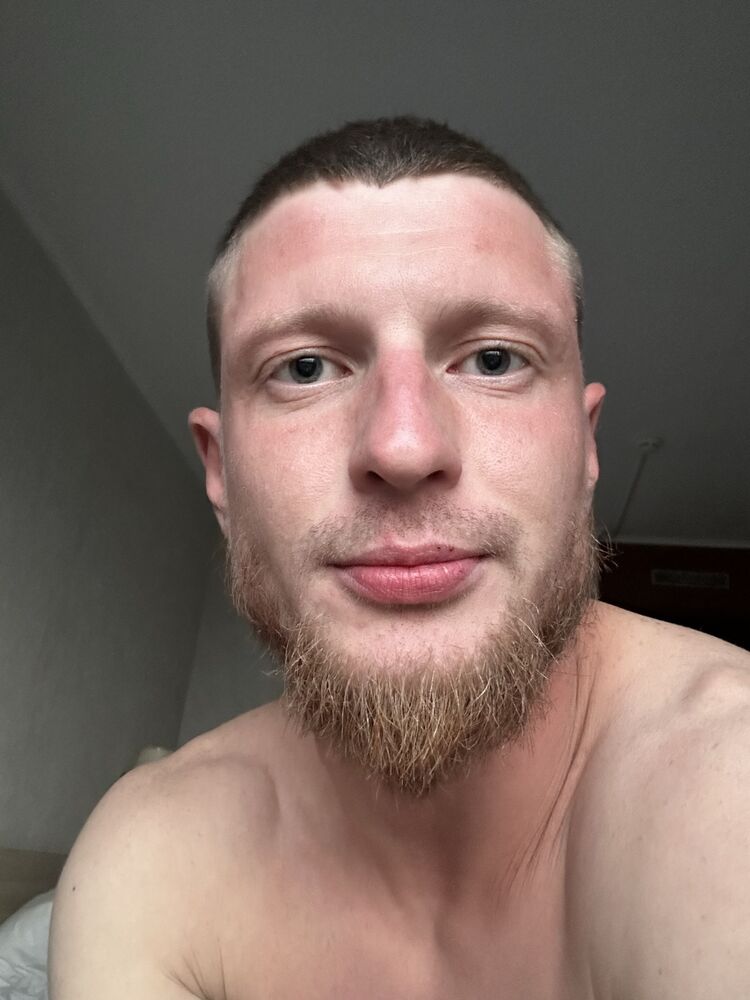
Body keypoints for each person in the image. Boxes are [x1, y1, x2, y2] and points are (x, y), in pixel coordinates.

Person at [49, 117, 750, 999]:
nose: (404, 446)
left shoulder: (727, 780)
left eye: (493, 358)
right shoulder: (145, 863)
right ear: (220, 473)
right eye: (305, 369)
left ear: (585, 447)